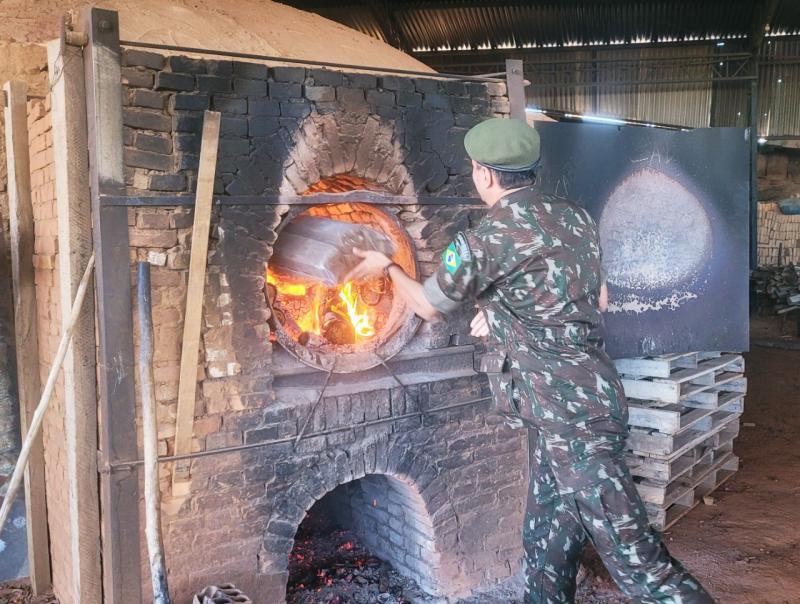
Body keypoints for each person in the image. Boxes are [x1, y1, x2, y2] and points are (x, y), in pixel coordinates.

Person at [345, 117, 714, 604]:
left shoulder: (487, 239)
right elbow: (594, 299)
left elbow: (430, 305)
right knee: (545, 546)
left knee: (641, 566)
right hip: (566, 407)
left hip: (574, 422)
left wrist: (389, 266)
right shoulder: (575, 217)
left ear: (484, 175)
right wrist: (501, 314)